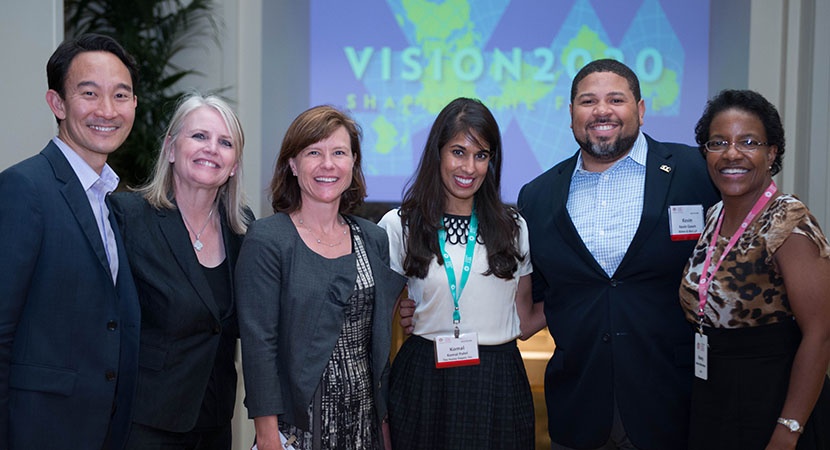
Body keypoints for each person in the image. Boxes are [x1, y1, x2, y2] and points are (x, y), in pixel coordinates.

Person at [517, 58, 720, 450]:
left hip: (677, 405)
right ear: (572, 114)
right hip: (578, 407)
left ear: (640, 110)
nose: (602, 111)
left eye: (616, 99)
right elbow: (537, 296)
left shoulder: (695, 171)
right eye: (588, 101)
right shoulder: (537, 196)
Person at [235, 105, 406, 450]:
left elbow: (379, 347)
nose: (328, 164)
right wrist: (269, 437)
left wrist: (384, 425)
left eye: (339, 152)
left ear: (353, 163)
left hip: (364, 426)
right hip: (298, 430)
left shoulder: (372, 239)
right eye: (314, 152)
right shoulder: (268, 239)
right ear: (293, 165)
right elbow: (259, 348)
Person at [0, 33, 141, 449]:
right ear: (57, 103)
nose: (107, 110)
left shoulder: (110, 201)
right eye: (89, 93)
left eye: (120, 94)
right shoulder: (24, 188)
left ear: (134, 104)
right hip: (36, 431)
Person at [378, 97, 540, 450]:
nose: (469, 167)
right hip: (423, 380)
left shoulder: (513, 227)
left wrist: (587, 296)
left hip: (497, 383)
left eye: (481, 155)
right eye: (458, 152)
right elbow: (377, 327)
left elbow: (525, 320)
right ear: (438, 154)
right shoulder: (400, 225)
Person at [679, 89, 830, 450]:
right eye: (718, 142)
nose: (732, 153)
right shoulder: (716, 215)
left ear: (771, 152)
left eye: (749, 142)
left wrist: (788, 429)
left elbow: (821, 333)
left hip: (772, 404)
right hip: (716, 398)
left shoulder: (788, 221)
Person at [108, 92, 252, 449]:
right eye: (199, 136)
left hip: (216, 423)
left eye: (225, 142)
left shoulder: (245, 231)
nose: (211, 149)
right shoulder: (127, 217)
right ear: (171, 149)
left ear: (234, 164)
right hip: (145, 421)